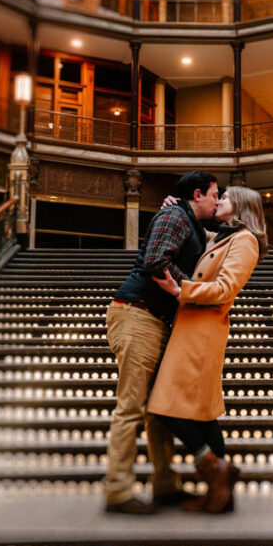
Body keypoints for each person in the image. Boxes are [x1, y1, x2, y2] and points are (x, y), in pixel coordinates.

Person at [103, 171, 219, 514]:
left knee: (159, 409)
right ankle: (118, 491)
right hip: (138, 315)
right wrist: (194, 292)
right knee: (131, 408)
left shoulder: (192, 223)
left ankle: (165, 485)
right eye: (215, 195)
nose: (217, 201)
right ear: (197, 194)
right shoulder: (174, 215)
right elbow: (156, 262)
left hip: (155, 320)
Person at [147, 186, 268, 514]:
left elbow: (226, 290)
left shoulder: (246, 241)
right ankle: (223, 494)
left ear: (240, 206)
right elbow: (191, 222)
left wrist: (179, 289)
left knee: (163, 405)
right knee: (201, 413)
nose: (219, 201)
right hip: (192, 326)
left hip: (202, 330)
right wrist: (174, 204)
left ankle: (216, 470)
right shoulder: (223, 236)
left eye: (225, 198)